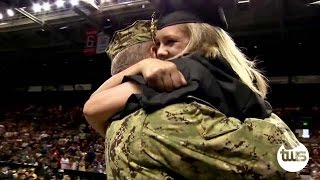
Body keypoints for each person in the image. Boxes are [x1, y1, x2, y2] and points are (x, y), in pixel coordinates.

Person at [84, 0, 300, 179]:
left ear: (202, 42)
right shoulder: (162, 112)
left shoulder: (119, 121)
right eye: (158, 45)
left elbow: (92, 108)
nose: (160, 53)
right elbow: (288, 161)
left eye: (170, 42)